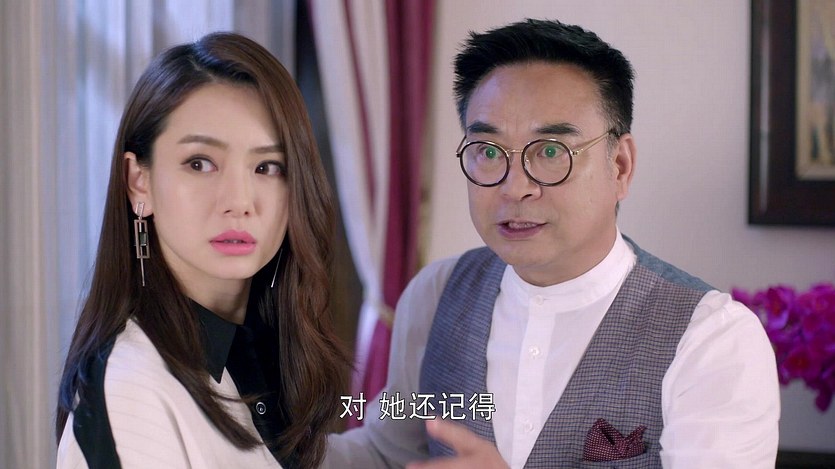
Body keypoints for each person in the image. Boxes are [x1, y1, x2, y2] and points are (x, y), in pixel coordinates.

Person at [324, 18, 780, 468]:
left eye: (549, 152)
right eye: (488, 152)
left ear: (620, 166)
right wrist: (279, 445)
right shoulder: (436, 294)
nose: (515, 188)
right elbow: (387, 455)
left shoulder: (713, 339)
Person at [55, 32, 348, 469]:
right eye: (200, 163)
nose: (240, 201)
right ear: (139, 182)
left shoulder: (264, 353)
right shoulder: (132, 389)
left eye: (267, 166)